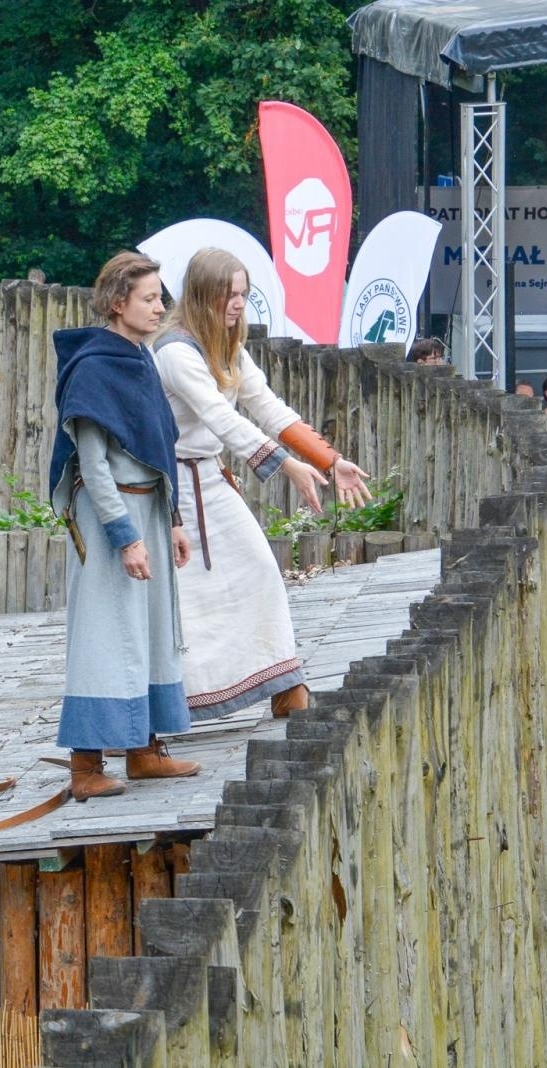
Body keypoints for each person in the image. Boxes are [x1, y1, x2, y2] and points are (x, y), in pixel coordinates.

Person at [152, 248, 372, 721]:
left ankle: (283, 684)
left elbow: (267, 406)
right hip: (173, 490)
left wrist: (330, 461)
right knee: (186, 600)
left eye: (243, 294)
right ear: (203, 294)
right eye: (228, 294)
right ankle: (176, 704)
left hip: (210, 477)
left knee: (259, 570)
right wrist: (288, 466)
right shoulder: (174, 350)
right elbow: (221, 418)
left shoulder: (227, 346)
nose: (237, 303)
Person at [49, 251, 199, 801]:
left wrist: (173, 520)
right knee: (106, 635)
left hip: (150, 511)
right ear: (118, 304)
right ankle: (85, 766)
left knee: (151, 630)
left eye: (160, 297)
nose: (160, 307)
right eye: (149, 298)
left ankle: (143, 751)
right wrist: (124, 536)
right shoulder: (94, 367)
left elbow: (158, 447)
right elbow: (92, 464)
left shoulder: (141, 359)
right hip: (111, 515)